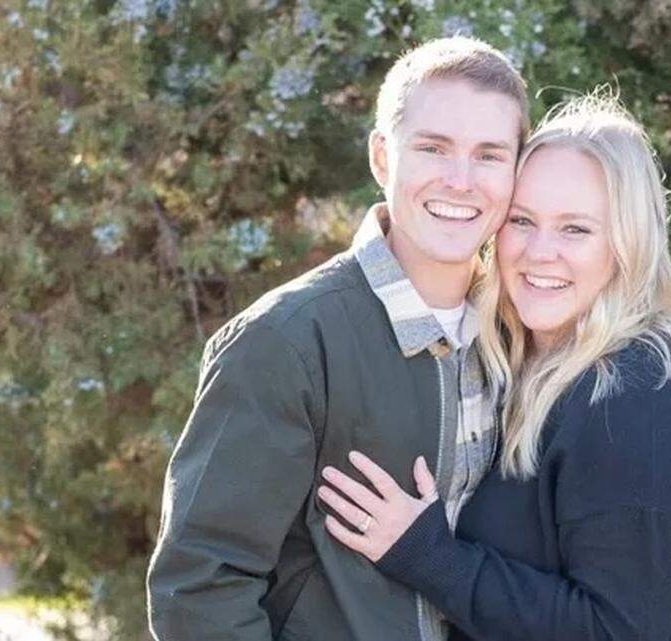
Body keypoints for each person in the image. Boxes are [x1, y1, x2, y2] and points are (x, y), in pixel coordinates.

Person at [146, 37, 528, 641]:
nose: (461, 181)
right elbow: (199, 590)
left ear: (515, 173)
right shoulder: (285, 343)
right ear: (382, 158)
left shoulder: (518, 338)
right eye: (433, 148)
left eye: (489, 155)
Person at [315, 93, 671, 640]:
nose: (539, 252)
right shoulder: (530, 362)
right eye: (522, 220)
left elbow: (614, 631)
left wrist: (430, 556)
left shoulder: (632, 398)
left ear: (628, 244)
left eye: (575, 229)